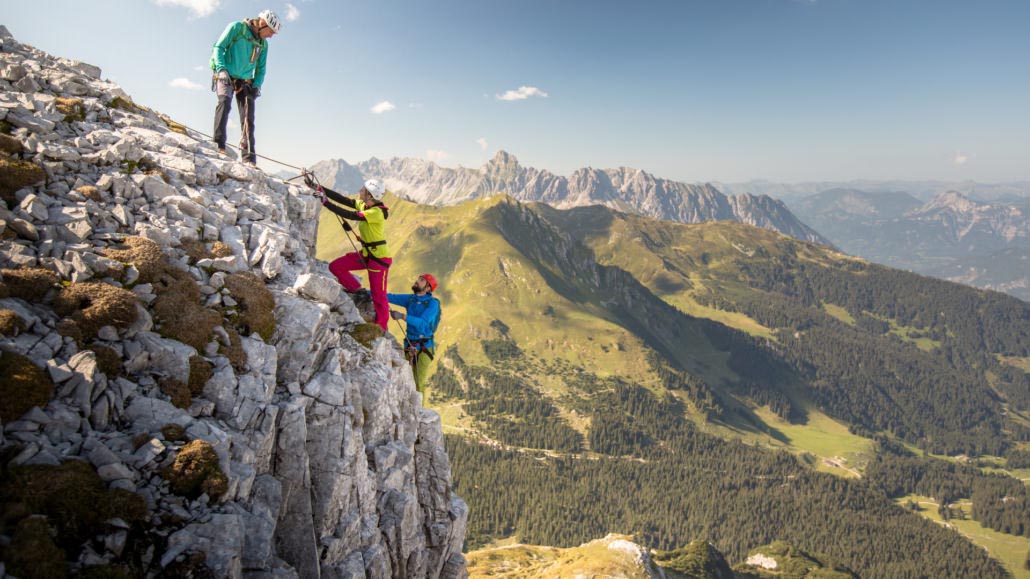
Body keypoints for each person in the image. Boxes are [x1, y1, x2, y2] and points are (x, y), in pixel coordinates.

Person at [305, 176, 393, 330]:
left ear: (370, 195)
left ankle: (382, 327)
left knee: (379, 295)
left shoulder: (375, 212)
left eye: (363, 190)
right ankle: (357, 291)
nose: (360, 191)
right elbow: (344, 200)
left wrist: (325, 202)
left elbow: (351, 215)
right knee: (336, 267)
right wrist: (318, 187)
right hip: (367, 254)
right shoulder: (366, 205)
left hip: (379, 259)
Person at [209, 9, 281, 165]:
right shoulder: (236, 28)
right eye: (271, 31)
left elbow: (261, 68)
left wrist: (256, 86)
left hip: (245, 80)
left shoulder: (263, 44)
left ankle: (249, 158)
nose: (271, 36)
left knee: (248, 117)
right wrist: (221, 70)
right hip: (225, 72)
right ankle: (218, 144)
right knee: (224, 103)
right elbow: (218, 48)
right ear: (262, 23)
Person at [388, 274, 442, 397]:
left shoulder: (433, 304)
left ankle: (419, 412)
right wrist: (368, 292)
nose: (417, 281)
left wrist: (402, 316)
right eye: (418, 278)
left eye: (422, 280)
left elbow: (422, 323)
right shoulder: (411, 299)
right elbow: (391, 297)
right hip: (410, 344)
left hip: (424, 347)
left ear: (428, 288)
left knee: (419, 382)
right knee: (406, 380)